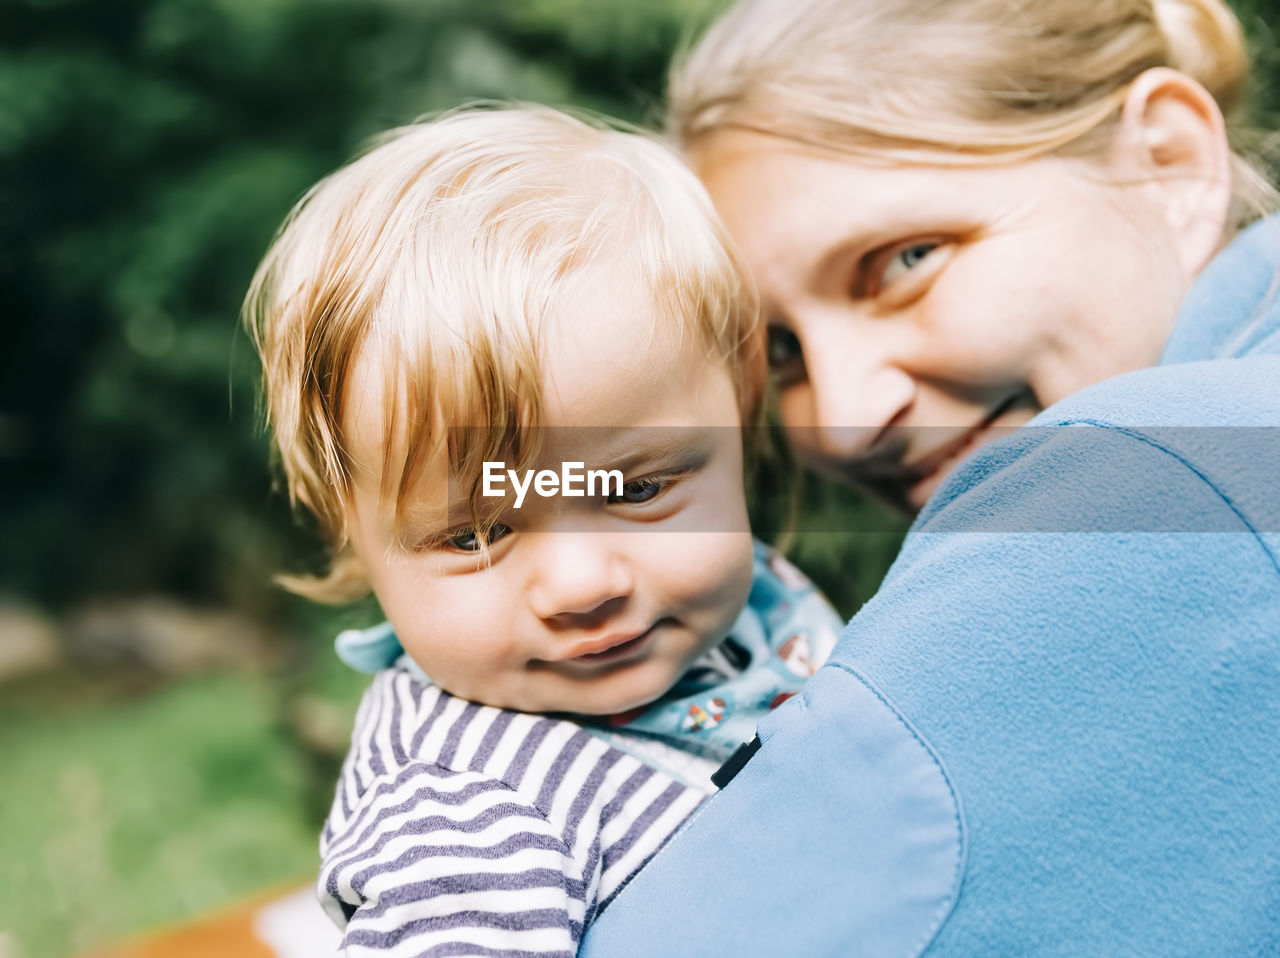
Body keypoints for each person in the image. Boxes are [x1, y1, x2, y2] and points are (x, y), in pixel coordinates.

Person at [578, 0, 1280, 955]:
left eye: (906, 260)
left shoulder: (1138, 482)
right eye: (779, 351)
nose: (847, 409)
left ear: (1166, 163)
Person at [242, 104, 843, 956]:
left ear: (738, 407)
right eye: (476, 534)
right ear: (354, 534)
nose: (583, 585)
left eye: (636, 489)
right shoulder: (470, 821)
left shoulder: (752, 604)